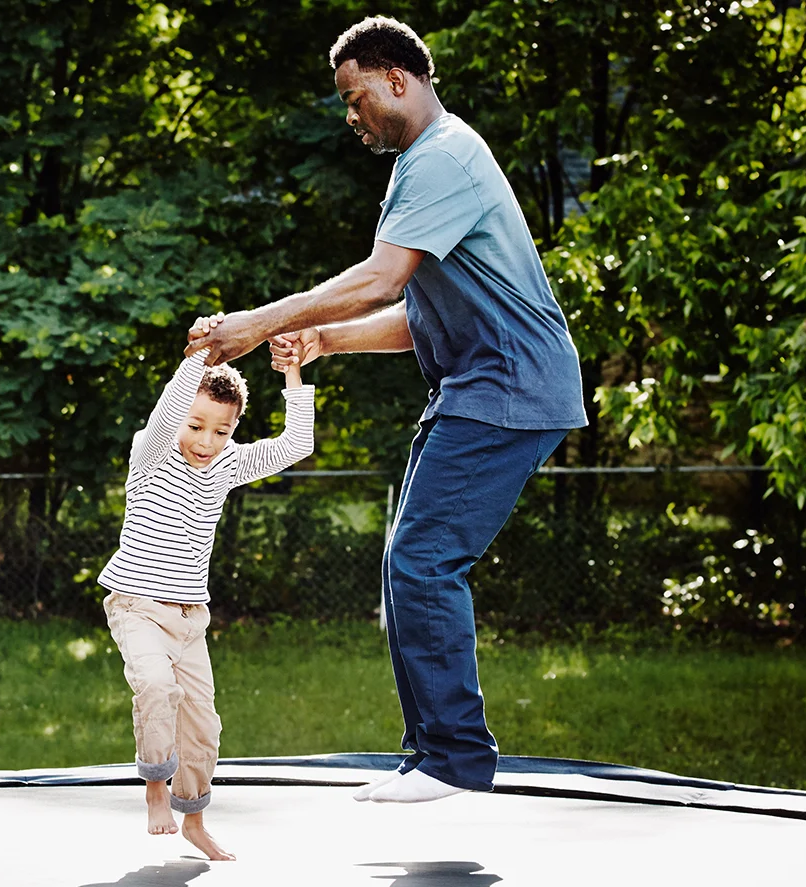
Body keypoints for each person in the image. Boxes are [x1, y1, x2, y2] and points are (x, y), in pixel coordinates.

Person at [185, 16, 587, 804]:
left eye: (355, 96)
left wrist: (258, 324)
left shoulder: (442, 158)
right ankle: (436, 754)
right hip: (490, 383)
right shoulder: (426, 164)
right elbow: (421, 313)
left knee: (423, 560)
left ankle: (453, 761)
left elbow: (382, 278)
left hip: (506, 385)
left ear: (397, 80)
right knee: (411, 559)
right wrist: (325, 339)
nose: (350, 115)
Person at [98, 314, 315, 860]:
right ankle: (153, 790)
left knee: (203, 727)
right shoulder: (151, 454)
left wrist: (293, 373)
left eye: (221, 430)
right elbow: (171, 405)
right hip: (138, 606)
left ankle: (193, 818)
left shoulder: (228, 464)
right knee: (155, 688)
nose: (206, 440)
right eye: (196, 426)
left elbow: (298, 444)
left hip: (191, 620)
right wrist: (204, 349)